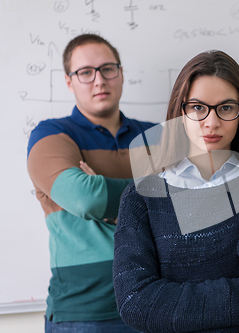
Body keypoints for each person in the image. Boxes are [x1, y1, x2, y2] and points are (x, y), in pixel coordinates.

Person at [112, 50, 239, 333]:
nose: (211, 123)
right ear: (181, 111)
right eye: (198, 107)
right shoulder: (142, 196)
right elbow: (136, 302)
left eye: (225, 108)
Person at [27, 34, 155, 332]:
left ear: (121, 73)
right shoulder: (50, 135)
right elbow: (88, 200)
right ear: (70, 82)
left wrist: (103, 188)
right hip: (84, 313)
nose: (99, 80)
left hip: (154, 301)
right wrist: (151, 190)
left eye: (108, 68)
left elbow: (187, 203)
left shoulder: (155, 135)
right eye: (85, 72)